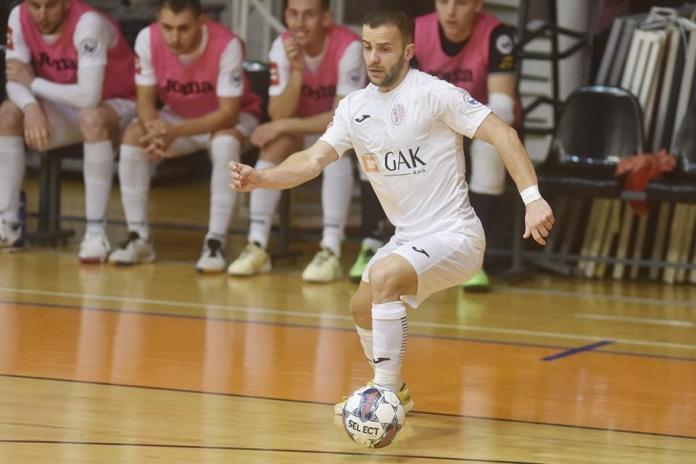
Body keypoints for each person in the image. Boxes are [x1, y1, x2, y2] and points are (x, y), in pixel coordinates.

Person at [228, 8, 554, 414]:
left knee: (383, 276)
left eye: (384, 48)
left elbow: (504, 134)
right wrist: (263, 177)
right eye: (367, 47)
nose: (373, 58)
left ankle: (380, 395)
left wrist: (532, 199)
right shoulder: (353, 108)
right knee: (360, 307)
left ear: (408, 51)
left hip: (456, 235)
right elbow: (311, 160)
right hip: (408, 239)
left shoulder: (435, 94)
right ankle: (396, 389)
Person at [350, 0, 520, 292]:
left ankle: (475, 255)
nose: (451, 11)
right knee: (373, 138)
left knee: (490, 148)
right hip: (425, 123)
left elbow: (502, 105)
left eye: (461, 3)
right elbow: (398, 91)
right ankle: (372, 241)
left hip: (475, 121)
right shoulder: (418, 30)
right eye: (444, 1)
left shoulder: (497, 34)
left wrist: (460, 124)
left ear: (477, 4)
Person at [107, 0, 262, 273]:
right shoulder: (147, 38)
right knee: (133, 137)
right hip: (177, 116)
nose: (174, 37)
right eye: (167, 28)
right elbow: (145, 102)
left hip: (229, 118)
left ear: (201, 21)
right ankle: (139, 237)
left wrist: (173, 132)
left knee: (225, 144)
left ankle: (215, 242)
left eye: (183, 29)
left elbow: (228, 113)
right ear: (158, 20)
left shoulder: (227, 44)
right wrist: (154, 129)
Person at [226, 0, 366, 283]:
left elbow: (341, 118)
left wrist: (282, 125)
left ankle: (330, 248)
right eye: (293, 14)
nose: (299, 23)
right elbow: (279, 111)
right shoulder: (282, 46)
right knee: (273, 146)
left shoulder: (349, 46)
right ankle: (257, 244)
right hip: (302, 128)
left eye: (308, 14)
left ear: (326, 18)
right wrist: (298, 73)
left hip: (335, 129)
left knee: (334, 150)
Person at [0, 0, 136, 262]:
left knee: (90, 118)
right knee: (8, 113)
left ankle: (95, 233)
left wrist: (33, 84)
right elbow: (15, 79)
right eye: (36, 6)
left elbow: (89, 96)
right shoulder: (18, 15)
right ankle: (8, 224)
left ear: (65, 3)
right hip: (65, 103)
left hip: (116, 103)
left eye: (50, 6)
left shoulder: (89, 24)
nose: (42, 14)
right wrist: (30, 107)